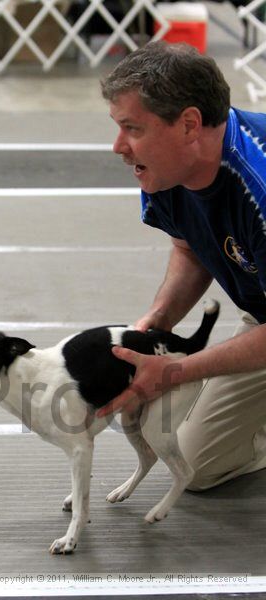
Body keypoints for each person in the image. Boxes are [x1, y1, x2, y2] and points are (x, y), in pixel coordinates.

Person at [96, 40, 266, 491]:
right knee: (192, 460)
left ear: (189, 124)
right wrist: (154, 325)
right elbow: (191, 249)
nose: (118, 147)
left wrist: (178, 370)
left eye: (131, 128)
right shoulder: (162, 168)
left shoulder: (260, 188)